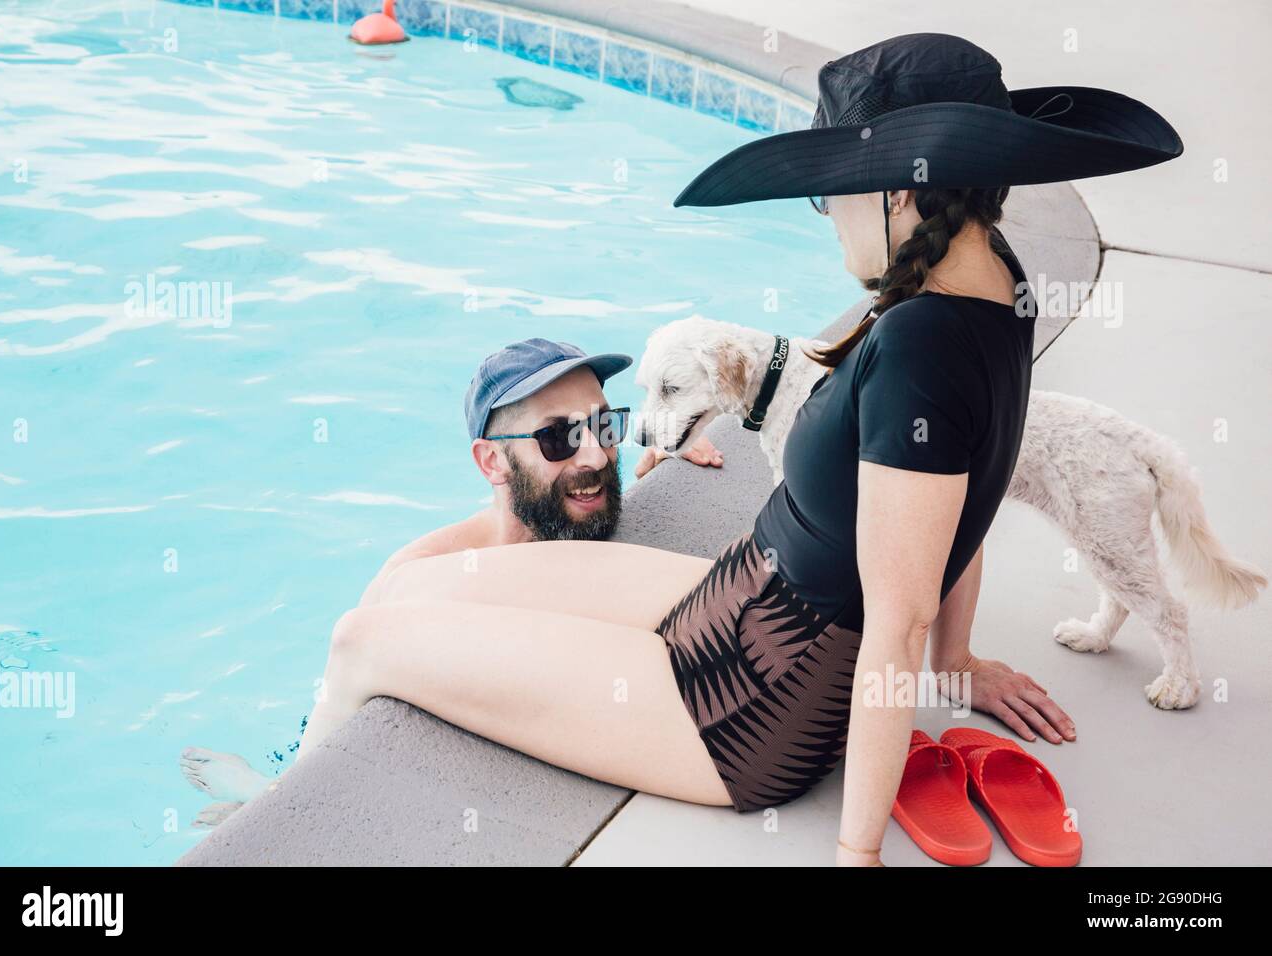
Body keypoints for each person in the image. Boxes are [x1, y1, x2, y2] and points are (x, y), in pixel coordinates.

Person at [285, 34, 1183, 865]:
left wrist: (856, 853)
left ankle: (269, 822)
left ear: (900, 193)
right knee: (410, 586)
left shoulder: (924, 345)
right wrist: (960, 661)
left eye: (837, 190)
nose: (827, 214)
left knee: (363, 641)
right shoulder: (992, 284)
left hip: (748, 711)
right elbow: (956, 502)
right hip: (743, 599)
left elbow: (899, 619)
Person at [181, 338, 722, 823]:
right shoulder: (423, 574)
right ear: (492, 462)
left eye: (606, 425)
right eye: (558, 437)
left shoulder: (585, 508)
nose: (596, 455)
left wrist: (665, 455)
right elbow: (348, 697)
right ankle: (264, 798)